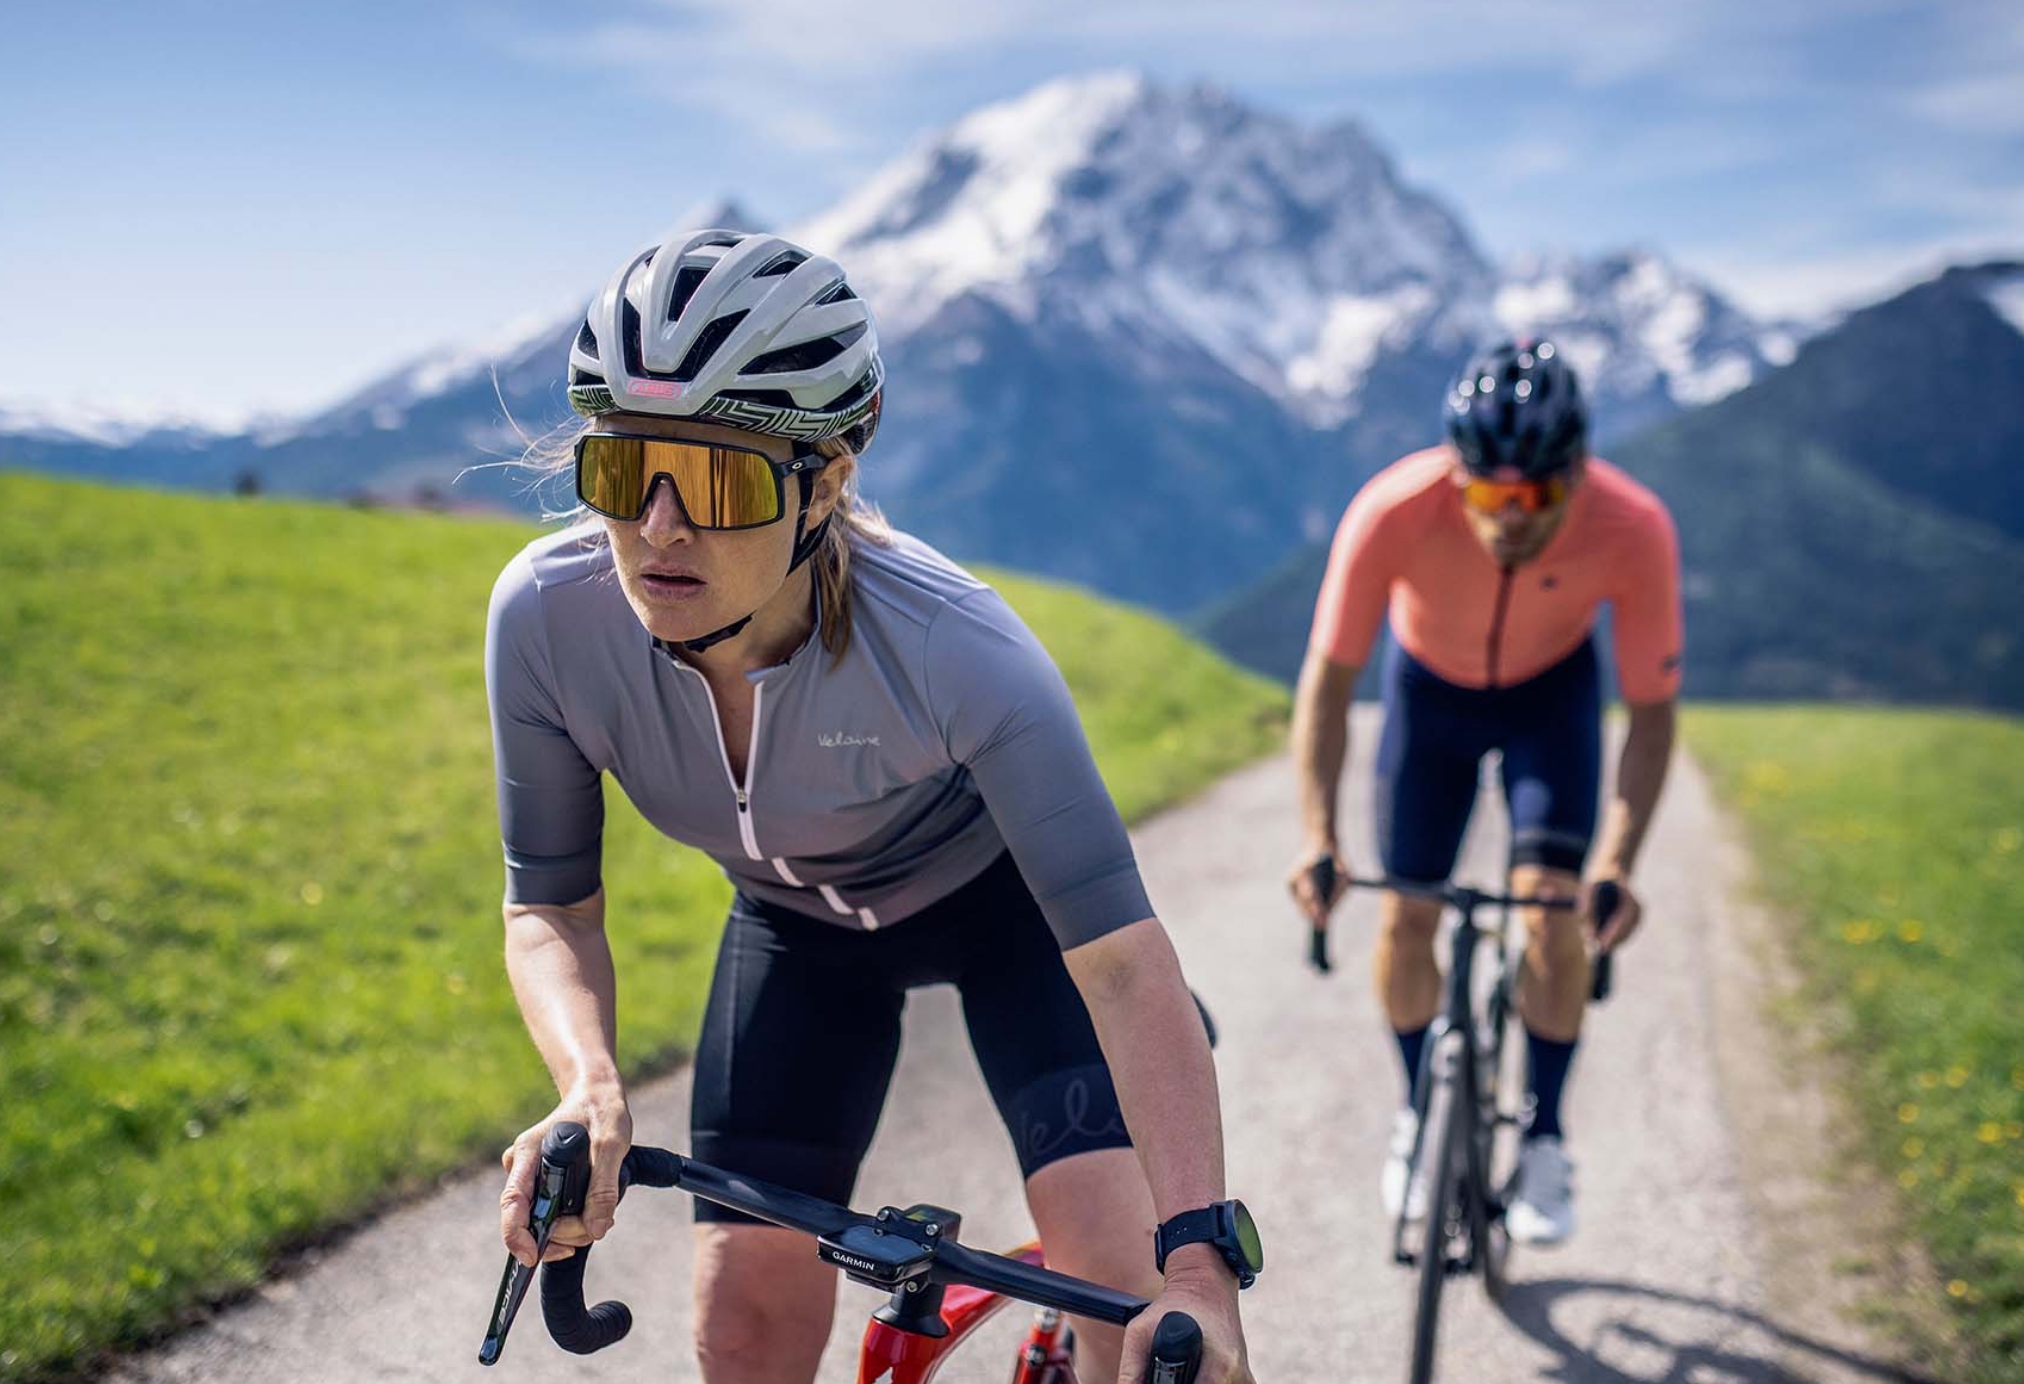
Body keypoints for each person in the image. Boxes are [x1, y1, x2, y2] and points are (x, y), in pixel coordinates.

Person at [487, 228, 1259, 1384]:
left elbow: (1123, 964)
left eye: (715, 478)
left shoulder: (959, 648)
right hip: (796, 932)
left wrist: (1199, 1268)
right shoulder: (547, 620)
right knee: (741, 1330)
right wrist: (587, 1088)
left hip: (1014, 927)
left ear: (826, 481)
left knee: (1120, 1289)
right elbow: (549, 904)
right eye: (619, 468)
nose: (655, 527)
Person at [1285, 340, 1682, 1246]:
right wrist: (1318, 834)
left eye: (1535, 496)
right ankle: (1419, 1110)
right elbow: (1330, 683)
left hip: (1555, 699)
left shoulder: (1635, 526)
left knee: (1550, 910)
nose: (1508, 520)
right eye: (1487, 495)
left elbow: (1653, 716)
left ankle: (1545, 1135)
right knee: (1408, 913)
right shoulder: (1392, 509)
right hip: (1429, 697)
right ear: (1456, 474)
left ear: (1577, 475)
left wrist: (1617, 863)